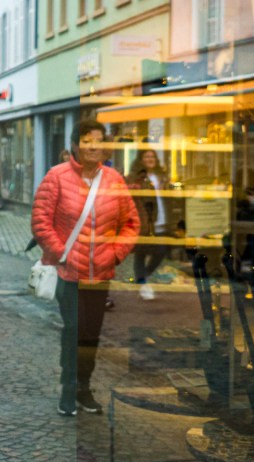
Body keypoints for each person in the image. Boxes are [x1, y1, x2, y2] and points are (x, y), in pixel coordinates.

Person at [31, 120, 139, 416]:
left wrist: (115, 254)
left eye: (98, 140)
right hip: (69, 274)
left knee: (92, 334)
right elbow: (41, 221)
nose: (93, 146)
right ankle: (68, 388)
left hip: (100, 273)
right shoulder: (57, 177)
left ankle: (84, 388)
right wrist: (62, 253)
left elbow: (131, 223)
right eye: (86, 140)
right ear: (76, 144)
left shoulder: (114, 179)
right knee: (74, 331)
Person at [125, 149, 182, 301]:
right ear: (141, 159)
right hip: (145, 220)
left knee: (161, 250)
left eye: (152, 156)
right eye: (146, 156)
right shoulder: (135, 177)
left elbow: (169, 198)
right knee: (141, 253)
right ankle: (142, 284)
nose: (150, 159)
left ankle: (144, 277)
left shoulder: (161, 176)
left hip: (162, 219)